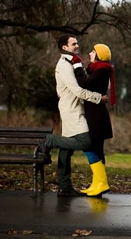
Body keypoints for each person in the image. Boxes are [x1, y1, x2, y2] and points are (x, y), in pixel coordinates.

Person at [38, 35, 108, 197]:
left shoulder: (75, 62)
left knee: (66, 149)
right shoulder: (64, 65)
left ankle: (64, 186)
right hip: (71, 109)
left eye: (77, 43)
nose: (77, 45)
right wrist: (98, 98)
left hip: (77, 107)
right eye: (73, 43)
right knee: (86, 141)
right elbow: (77, 90)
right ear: (64, 47)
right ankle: (49, 140)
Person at [74, 44, 115, 197]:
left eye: (93, 51)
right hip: (95, 113)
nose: (90, 53)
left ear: (99, 54)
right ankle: (97, 183)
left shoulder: (101, 70)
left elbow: (85, 84)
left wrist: (78, 67)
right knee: (97, 149)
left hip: (96, 116)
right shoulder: (97, 69)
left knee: (89, 146)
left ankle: (102, 182)